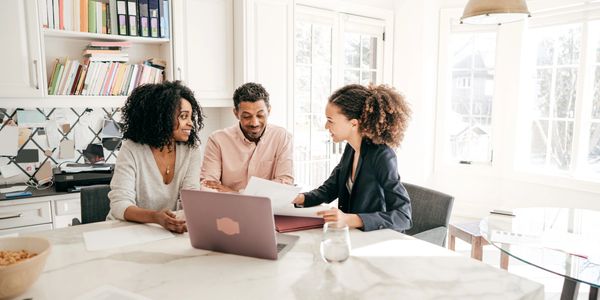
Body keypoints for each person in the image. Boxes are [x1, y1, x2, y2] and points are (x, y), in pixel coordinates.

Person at [293, 84, 412, 232]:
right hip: (353, 236)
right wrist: (299, 198)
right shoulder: (351, 148)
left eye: (330, 120)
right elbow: (331, 188)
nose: (325, 126)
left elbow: (403, 216)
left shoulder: (382, 156)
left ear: (353, 123)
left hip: (376, 239)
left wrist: (349, 219)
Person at [108, 81, 204, 233]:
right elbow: (119, 205)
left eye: (191, 117)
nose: (190, 123)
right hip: (127, 230)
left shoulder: (192, 149)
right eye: (184, 116)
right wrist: (156, 217)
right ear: (162, 117)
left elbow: (191, 197)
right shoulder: (131, 148)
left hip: (166, 230)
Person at [201, 82, 293, 192]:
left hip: (267, 208)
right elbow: (208, 185)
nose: (254, 123)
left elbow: (285, 184)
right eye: (247, 116)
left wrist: (234, 193)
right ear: (236, 113)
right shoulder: (217, 140)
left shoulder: (282, 137)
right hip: (227, 208)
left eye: (260, 115)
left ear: (268, 111)